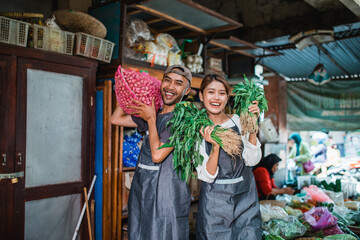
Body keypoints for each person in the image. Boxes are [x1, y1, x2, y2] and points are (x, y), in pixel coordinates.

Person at [110, 65, 192, 240]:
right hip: (143, 189)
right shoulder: (153, 112)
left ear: (187, 90)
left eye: (178, 83)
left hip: (165, 195)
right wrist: (129, 91)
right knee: (140, 232)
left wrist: (151, 119)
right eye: (167, 80)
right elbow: (115, 119)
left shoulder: (182, 120)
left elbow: (157, 155)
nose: (170, 87)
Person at [195, 74, 262, 239]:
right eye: (211, 92)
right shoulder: (197, 128)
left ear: (227, 97)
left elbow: (252, 160)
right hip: (214, 207)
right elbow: (207, 176)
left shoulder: (237, 122)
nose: (216, 97)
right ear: (201, 95)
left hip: (245, 200)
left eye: (222, 93)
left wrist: (252, 124)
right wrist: (215, 147)